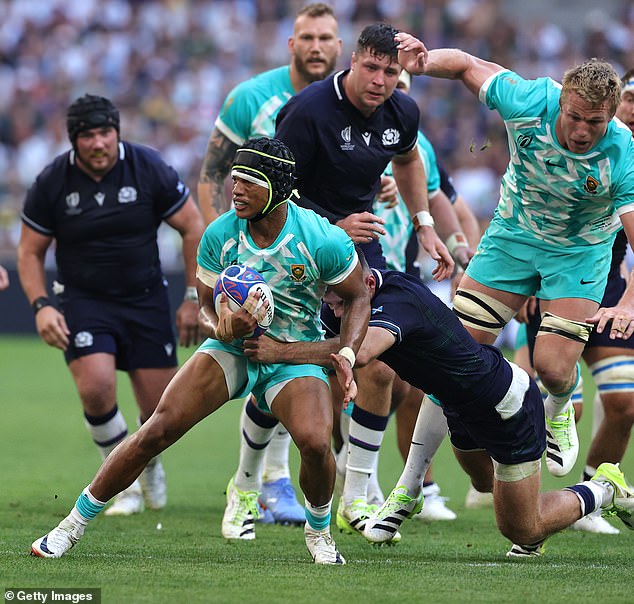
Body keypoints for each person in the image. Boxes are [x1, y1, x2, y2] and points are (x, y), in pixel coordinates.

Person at [30, 137, 372, 566]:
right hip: (232, 349)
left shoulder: (321, 238)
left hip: (292, 354)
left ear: (279, 188)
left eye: (251, 181)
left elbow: (358, 297)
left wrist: (346, 352)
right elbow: (207, 309)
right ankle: (71, 526)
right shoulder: (220, 233)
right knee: (157, 429)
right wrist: (223, 326)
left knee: (316, 443)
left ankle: (319, 532)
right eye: (235, 179)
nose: (237, 190)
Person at [243, 254, 634, 555]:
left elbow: (360, 353)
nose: (338, 312)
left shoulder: (396, 302)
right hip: (459, 408)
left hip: (505, 406)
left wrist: (280, 351)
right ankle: (414, 491)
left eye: (342, 303)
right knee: (482, 483)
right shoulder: (348, 298)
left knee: (522, 528)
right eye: (332, 302)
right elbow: (329, 331)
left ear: (363, 282)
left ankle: (603, 488)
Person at [394, 32, 634, 489]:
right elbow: (465, 63)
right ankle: (407, 488)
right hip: (513, 237)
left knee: (553, 368)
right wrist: (424, 61)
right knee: (452, 356)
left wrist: (627, 305)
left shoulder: (623, 153)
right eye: (575, 117)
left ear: (611, 117)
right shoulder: (529, 100)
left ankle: (558, 409)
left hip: (577, 251)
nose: (583, 131)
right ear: (561, 100)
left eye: (596, 123)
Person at [275, 22, 454, 537]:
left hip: (359, 248)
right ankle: (250, 484)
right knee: (279, 367)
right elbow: (269, 190)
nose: (380, 80)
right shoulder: (309, 111)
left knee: (377, 367)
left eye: (390, 71)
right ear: (352, 61)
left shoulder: (402, 110)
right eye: (371, 68)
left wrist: (425, 226)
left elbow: (408, 160)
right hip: (293, 245)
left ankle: (356, 494)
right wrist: (331, 227)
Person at [17, 94, 205, 517]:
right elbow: (29, 252)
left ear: (117, 133)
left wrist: (194, 298)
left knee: (163, 413)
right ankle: (125, 481)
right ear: (74, 141)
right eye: (88, 136)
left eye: (106, 133)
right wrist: (42, 306)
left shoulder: (148, 167)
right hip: (84, 300)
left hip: (145, 300)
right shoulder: (52, 181)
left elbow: (193, 227)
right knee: (96, 386)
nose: (99, 143)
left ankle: (147, 460)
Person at [198, 3, 343, 524]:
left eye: (326, 37)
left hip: (327, 250)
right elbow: (213, 172)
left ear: (338, 45)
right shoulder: (251, 98)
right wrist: (225, 248)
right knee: (267, 353)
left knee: (328, 372)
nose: (316, 46)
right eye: (307, 36)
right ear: (292, 43)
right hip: (263, 253)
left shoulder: (353, 100)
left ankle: (297, 482)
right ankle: (269, 481)